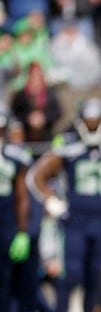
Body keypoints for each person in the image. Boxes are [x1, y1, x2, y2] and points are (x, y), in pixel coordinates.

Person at [31, 97, 101, 312]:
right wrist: (52, 200)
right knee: (70, 274)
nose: (92, 125)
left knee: (95, 276)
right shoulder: (68, 145)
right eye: (89, 121)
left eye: (96, 121)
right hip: (75, 219)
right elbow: (37, 176)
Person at [0, 108, 33, 309]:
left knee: (5, 280)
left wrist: (22, 231)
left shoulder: (15, 156)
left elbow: (22, 196)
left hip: (5, 220)